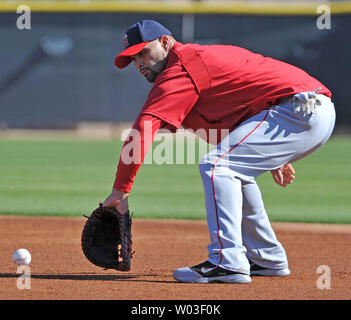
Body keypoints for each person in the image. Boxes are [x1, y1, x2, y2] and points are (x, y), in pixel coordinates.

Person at [103, 20, 336, 284]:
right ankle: (266, 257)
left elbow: (142, 131)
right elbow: (245, 105)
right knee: (234, 171)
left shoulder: (181, 68)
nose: (138, 63)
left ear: (166, 42)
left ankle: (227, 262)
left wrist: (120, 192)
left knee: (217, 166)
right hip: (304, 110)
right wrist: (272, 154)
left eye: (143, 52)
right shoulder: (195, 62)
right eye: (133, 58)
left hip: (296, 110)